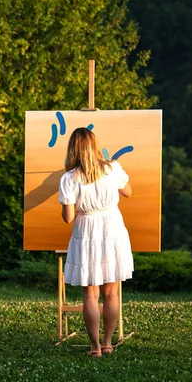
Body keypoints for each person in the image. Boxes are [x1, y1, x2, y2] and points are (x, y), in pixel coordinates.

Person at [58, 127, 134, 357]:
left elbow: (68, 217)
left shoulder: (69, 178)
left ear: (74, 149)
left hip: (86, 231)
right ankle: (108, 342)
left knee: (90, 296)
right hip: (112, 229)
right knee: (111, 293)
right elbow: (128, 192)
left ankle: (94, 347)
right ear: (95, 145)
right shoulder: (113, 169)